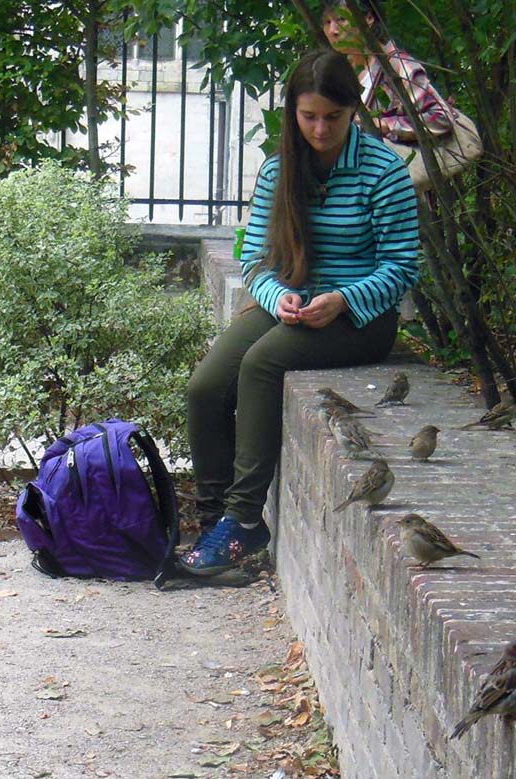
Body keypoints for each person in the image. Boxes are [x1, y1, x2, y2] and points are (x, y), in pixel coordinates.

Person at [180, 49, 420, 576]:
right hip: (290, 303)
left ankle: (244, 521)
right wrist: (277, 297)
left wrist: (343, 300)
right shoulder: (277, 170)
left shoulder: (384, 172)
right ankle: (213, 518)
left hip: (361, 317)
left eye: (332, 117)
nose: (319, 128)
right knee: (204, 386)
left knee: (261, 365)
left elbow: (403, 267)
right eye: (308, 116)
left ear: (352, 111)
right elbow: (256, 260)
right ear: (292, 112)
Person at [321, 0, 454, 143]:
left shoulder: (396, 66)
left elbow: (441, 117)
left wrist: (383, 125)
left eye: (341, 19)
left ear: (369, 18)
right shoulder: (342, 71)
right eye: (327, 22)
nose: (332, 31)